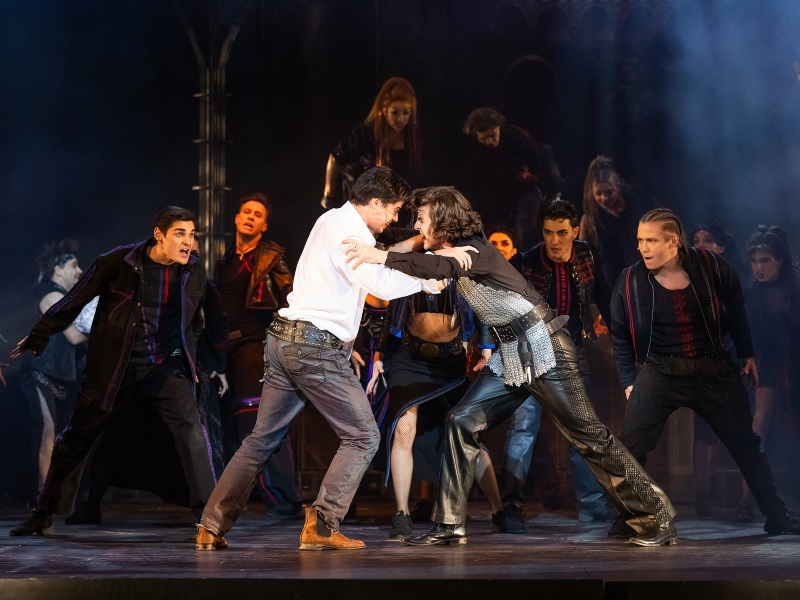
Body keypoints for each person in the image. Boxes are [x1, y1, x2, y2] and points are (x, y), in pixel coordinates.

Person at [345, 186, 678, 547]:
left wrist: (379, 257)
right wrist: (393, 241)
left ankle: (654, 514)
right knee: (461, 420)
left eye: (422, 220)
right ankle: (449, 524)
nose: (417, 226)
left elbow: (436, 266)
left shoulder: (473, 250)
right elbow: (411, 244)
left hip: (544, 345)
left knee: (589, 436)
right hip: (512, 350)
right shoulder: (451, 248)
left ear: (442, 220)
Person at [194, 166, 443, 552]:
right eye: (393, 210)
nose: (394, 219)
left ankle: (211, 525)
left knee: (261, 440)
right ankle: (323, 525)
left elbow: (375, 264)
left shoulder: (333, 220)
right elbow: (380, 285)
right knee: (363, 435)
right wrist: (426, 280)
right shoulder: (349, 232)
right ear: (375, 202)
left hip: (285, 343)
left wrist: (416, 248)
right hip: (313, 349)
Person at [9, 206, 217, 536]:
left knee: (192, 431)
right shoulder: (118, 263)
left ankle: (209, 519)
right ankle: (43, 512)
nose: (187, 242)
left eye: (191, 235)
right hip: (115, 367)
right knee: (76, 437)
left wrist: (190, 360)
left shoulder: (193, 270)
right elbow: (74, 300)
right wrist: (40, 334)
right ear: (159, 234)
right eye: (180, 234)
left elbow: (195, 321)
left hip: (164, 366)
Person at [608, 208, 800, 538]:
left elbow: (736, 306)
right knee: (632, 443)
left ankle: (776, 515)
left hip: (712, 367)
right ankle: (629, 516)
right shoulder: (630, 279)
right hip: (662, 368)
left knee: (746, 445)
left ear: (673, 241)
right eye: (640, 240)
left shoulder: (710, 265)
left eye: (651, 241)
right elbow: (619, 329)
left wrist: (747, 352)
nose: (643, 248)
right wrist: (628, 379)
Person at [368, 245, 510, 540]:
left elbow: (481, 307)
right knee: (404, 429)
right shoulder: (411, 263)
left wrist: (486, 349)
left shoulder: (460, 266)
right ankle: (402, 513)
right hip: (410, 360)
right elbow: (392, 310)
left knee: (469, 434)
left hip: (450, 363)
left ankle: (499, 511)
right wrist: (379, 355)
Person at [498, 199, 617, 526]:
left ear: (575, 231)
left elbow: (604, 297)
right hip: (530, 355)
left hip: (572, 354)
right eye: (548, 232)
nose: (554, 240)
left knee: (581, 432)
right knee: (523, 428)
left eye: (562, 232)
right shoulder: (526, 261)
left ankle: (592, 505)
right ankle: (511, 507)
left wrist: (623, 340)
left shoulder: (587, 255)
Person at [214, 192, 302, 516]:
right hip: (225, 351)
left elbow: (292, 298)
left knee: (258, 423)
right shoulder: (225, 261)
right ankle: (244, 498)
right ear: (237, 219)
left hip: (253, 346)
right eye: (246, 212)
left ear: (264, 226)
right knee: (230, 426)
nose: (250, 217)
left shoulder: (271, 258)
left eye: (258, 214)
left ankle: (284, 498)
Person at [732, 225, 800, 522]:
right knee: (759, 422)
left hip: (796, 362)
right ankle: (745, 502)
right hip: (769, 362)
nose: (759, 267)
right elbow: (744, 337)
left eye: (765, 260)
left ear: (780, 260)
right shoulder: (752, 296)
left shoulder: (796, 288)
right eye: (755, 261)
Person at [18, 239, 87, 502]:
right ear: (58, 270)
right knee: (46, 428)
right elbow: (74, 336)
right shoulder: (51, 295)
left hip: (58, 376)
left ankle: (45, 490)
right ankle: (40, 493)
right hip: (39, 372)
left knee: (56, 432)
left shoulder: (64, 296)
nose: (79, 271)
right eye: (73, 265)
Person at [689, 219, 745, 517]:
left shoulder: (733, 280)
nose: (700, 245)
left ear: (721, 247)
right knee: (703, 426)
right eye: (696, 240)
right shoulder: (685, 280)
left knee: (741, 425)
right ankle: (701, 498)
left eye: (707, 239)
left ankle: (746, 500)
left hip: (733, 358)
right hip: (700, 359)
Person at [462, 107, 561, 250]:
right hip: (504, 186)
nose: (490, 141)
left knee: (525, 223)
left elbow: (544, 158)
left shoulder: (516, 138)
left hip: (529, 186)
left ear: (498, 127)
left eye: (492, 135)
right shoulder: (478, 149)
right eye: (484, 139)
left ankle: (526, 254)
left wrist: (554, 190)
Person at [321, 77, 423, 209]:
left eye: (406, 113)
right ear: (384, 109)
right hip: (365, 207)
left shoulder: (412, 137)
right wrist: (328, 196)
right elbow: (335, 158)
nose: (401, 119)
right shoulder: (365, 134)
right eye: (395, 113)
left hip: (398, 208)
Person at [579, 156, 641, 292]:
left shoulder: (637, 208)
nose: (604, 198)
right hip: (612, 289)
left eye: (609, 192)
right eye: (598, 193)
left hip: (641, 279)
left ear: (618, 185)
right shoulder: (590, 220)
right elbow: (583, 260)